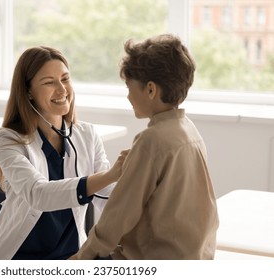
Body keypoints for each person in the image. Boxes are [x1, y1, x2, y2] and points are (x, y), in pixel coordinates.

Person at [71, 34, 219, 260]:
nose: (128, 96)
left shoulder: (151, 140)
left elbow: (117, 217)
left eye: (129, 87)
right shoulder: (189, 131)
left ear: (151, 90)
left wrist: (79, 261)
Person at [0, 46, 128, 260]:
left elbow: (106, 195)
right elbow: (39, 194)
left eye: (65, 79)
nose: (62, 90)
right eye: (49, 82)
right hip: (21, 255)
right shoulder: (9, 140)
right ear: (28, 91)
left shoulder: (87, 134)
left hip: (70, 255)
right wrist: (111, 174)